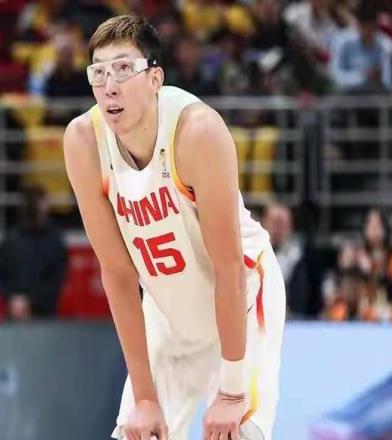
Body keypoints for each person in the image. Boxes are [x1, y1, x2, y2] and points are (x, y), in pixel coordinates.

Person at [63, 14, 286, 440]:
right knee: (135, 432)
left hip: (241, 297)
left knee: (238, 435)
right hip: (169, 315)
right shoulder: (83, 143)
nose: (110, 85)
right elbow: (118, 273)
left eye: (123, 69)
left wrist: (231, 391)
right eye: (99, 73)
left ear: (155, 79)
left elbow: (229, 266)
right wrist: (145, 399)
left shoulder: (197, 132)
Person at [0, 186, 67, 320]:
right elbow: (3, 274)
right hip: (15, 314)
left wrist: (30, 301)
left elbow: (56, 278)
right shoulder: (13, 238)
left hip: (43, 313)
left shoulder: (53, 239)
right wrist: (13, 299)